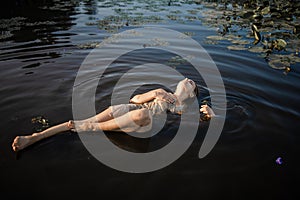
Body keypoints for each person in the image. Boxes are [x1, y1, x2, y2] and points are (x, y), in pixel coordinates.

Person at [12, 78, 215, 152]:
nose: (188, 79)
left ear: (191, 95)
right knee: (79, 121)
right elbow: (135, 99)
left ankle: (93, 128)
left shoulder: (185, 107)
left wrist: (209, 115)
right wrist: (155, 93)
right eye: (187, 79)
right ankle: (34, 138)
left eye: (192, 83)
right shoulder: (162, 91)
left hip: (145, 123)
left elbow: (200, 121)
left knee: (142, 114)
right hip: (132, 111)